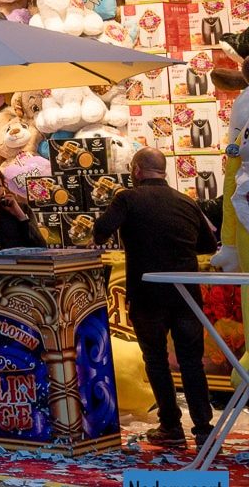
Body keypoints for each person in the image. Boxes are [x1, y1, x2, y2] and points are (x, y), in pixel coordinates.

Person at [94, 147, 218, 449]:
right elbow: (208, 244)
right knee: (192, 362)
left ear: (136, 170)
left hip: (148, 293)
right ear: (162, 170)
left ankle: (171, 426)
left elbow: (100, 232)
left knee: (156, 359)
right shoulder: (187, 201)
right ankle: (204, 429)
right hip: (186, 293)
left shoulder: (127, 198)